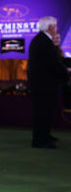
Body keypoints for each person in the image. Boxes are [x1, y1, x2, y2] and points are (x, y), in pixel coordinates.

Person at [27, 16, 69, 149]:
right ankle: (40, 140)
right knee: (42, 113)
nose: (56, 28)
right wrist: (66, 75)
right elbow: (52, 64)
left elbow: (55, 61)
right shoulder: (43, 41)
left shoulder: (42, 40)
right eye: (55, 26)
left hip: (44, 85)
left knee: (46, 112)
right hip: (43, 86)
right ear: (50, 27)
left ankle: (45, 135)